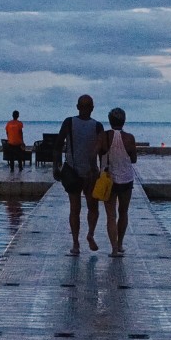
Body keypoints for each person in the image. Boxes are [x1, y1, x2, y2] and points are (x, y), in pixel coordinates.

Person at [58, 95, 104, 254]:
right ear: (93, 107)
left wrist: (55, 168)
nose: (85, 109)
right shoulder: (97, 126)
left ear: (77, 106)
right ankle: (89, 235)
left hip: (74, 171)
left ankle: (76, 243)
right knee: (92, 208)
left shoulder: (69, 122)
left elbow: (57, 145)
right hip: (88, 173)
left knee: (75, 209)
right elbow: (101, 151)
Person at [98, 106, 138, 256]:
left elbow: (96, 152)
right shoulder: (130, 138)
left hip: (108, 180)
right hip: (126, 179)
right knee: (124, 212)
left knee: (111, 215)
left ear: (109, 121)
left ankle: (114, 249)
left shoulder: (103, 136)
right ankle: (120, 244)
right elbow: (133, 159)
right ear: (124, 121)